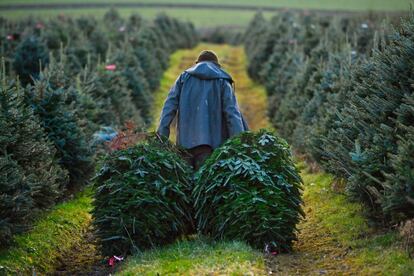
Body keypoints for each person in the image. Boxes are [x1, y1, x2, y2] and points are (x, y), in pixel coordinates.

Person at [157, 50, 248, 170]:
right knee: (205, 185)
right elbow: (232, 114)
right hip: (212, 149)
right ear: (216, 65)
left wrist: (161, 137)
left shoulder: (183, 78)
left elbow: (168, 108)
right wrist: (239, 145)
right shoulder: (222, 81)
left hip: (184, 147)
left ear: (197, 63)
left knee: (185, 185)